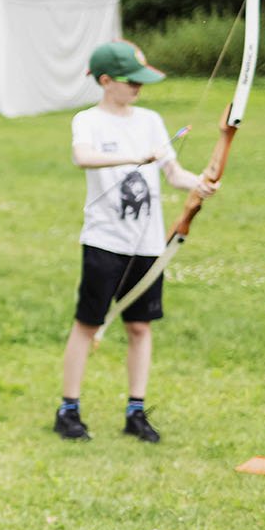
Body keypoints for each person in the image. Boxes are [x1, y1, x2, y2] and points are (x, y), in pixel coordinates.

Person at [56, 40, 218, 442]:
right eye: (131, 81)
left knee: (140, 327)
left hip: (147, 244)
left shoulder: (150, 120)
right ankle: (69, 410)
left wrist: (198, 184)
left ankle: (136, 411)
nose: (138, 88)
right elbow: (82, 157)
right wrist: (132, 158)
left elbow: (173, 173)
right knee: (88, 324)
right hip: (104, 241)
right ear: (105, 81)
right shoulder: (88, 121)